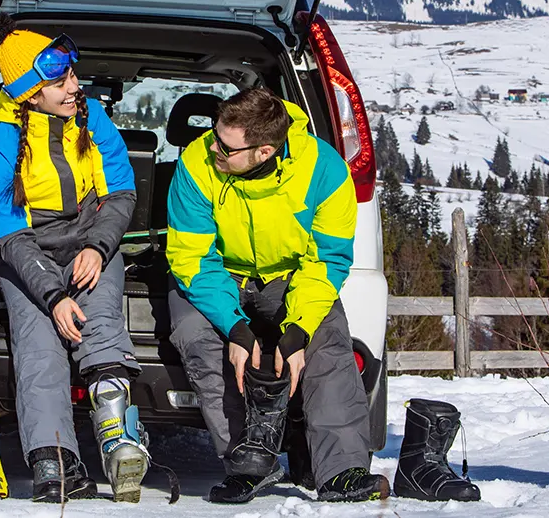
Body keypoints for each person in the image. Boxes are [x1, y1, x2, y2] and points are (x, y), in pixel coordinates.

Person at [166, 86, 390, 503]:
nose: (213, 147)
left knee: (327, 336)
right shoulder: (198, 163)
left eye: (226, 146)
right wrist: (234, 327)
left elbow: (325, 262)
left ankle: (342, 471)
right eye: (216, 135)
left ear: (264, 151)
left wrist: (298, 329)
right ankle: (248, 464)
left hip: (289, 276)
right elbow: (191, 256)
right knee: (195, 332)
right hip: (220, 273)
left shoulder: (324, 169)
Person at [0, 12, 150, 503]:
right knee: (37, 338)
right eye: (61, 79)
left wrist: (97, 248)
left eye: (73, 73)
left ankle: (118, 440)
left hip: (91, 239)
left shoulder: (94, 121)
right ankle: (54, 460)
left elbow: (120, 194)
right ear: (30, 92)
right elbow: (11, 236)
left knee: (100, 314)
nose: (75, 86)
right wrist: (52, 297)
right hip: (28, 252)